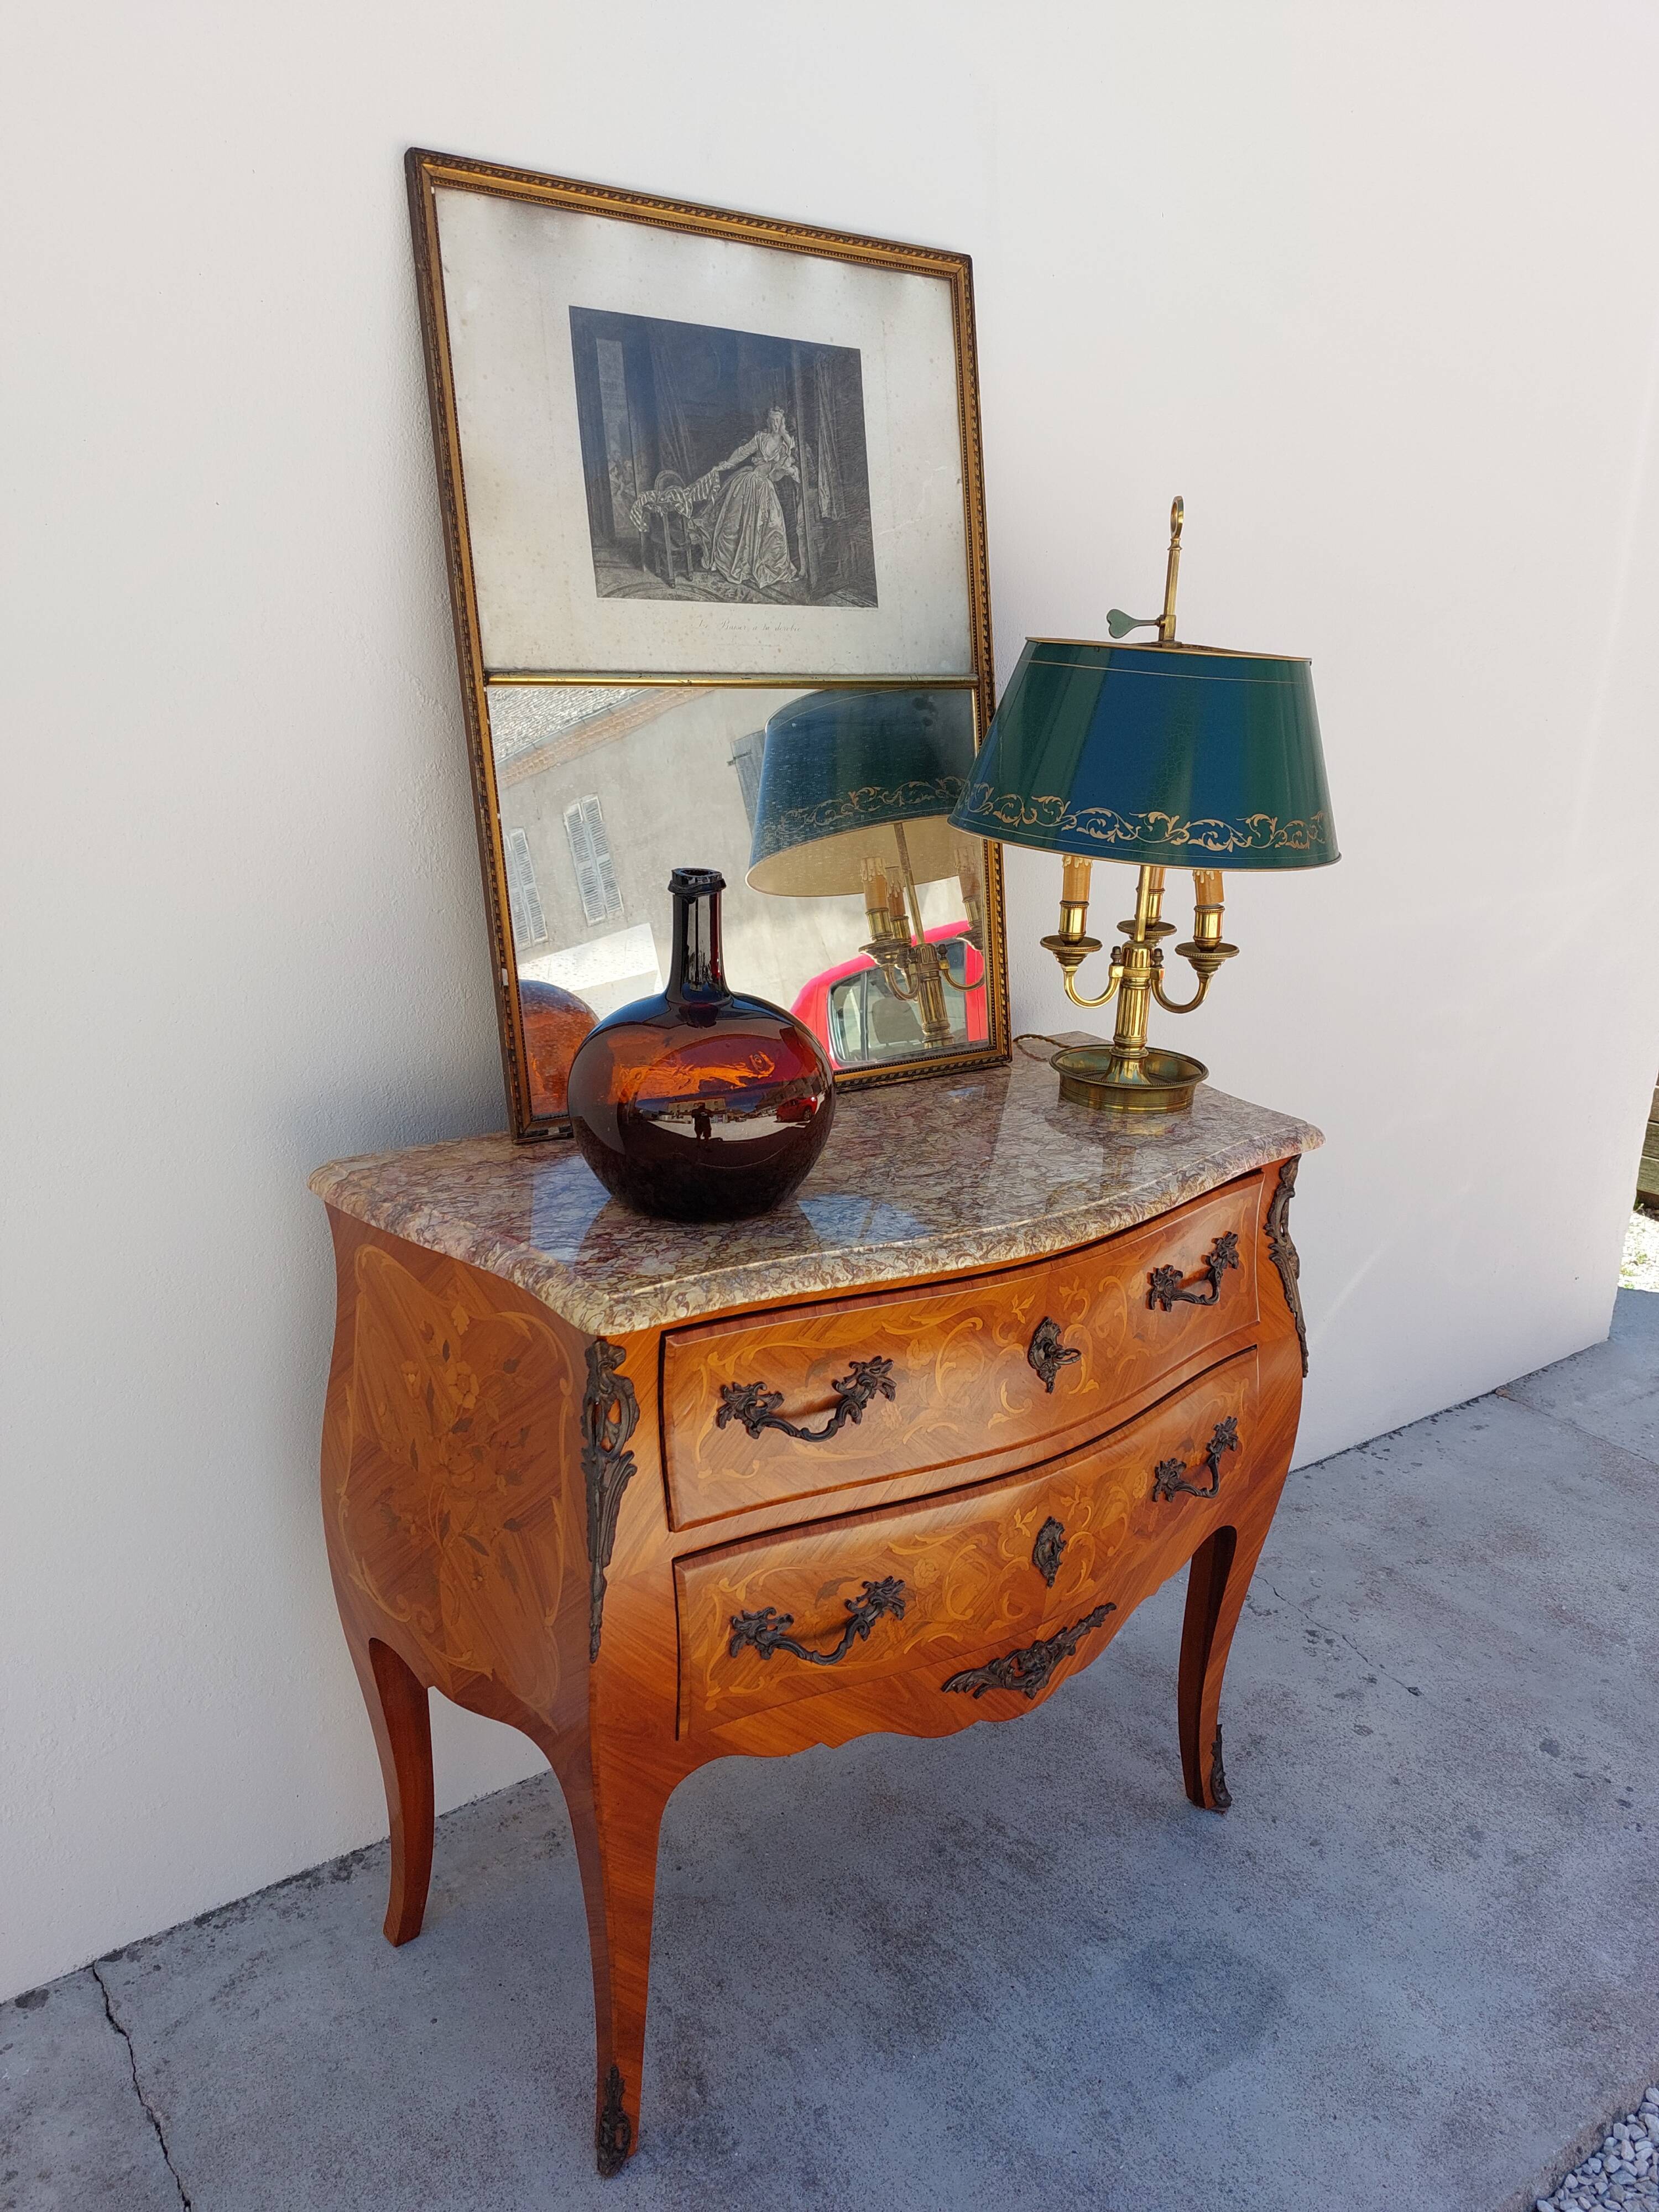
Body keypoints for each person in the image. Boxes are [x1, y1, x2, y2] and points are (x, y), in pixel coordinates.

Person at [699, 406, 799, 594]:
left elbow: (776, 476)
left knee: (773, 527)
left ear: (783, 423)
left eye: (779, 421)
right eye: (773, 421)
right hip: (749, 483)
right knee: (736, 525)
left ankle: (767, 567)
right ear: (769, 422)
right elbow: (742, 452)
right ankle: (739, 565)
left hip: (766, 488)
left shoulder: (786, 447)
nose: (776, 425)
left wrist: (786, 449)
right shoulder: (761, 438)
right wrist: (727, 464)